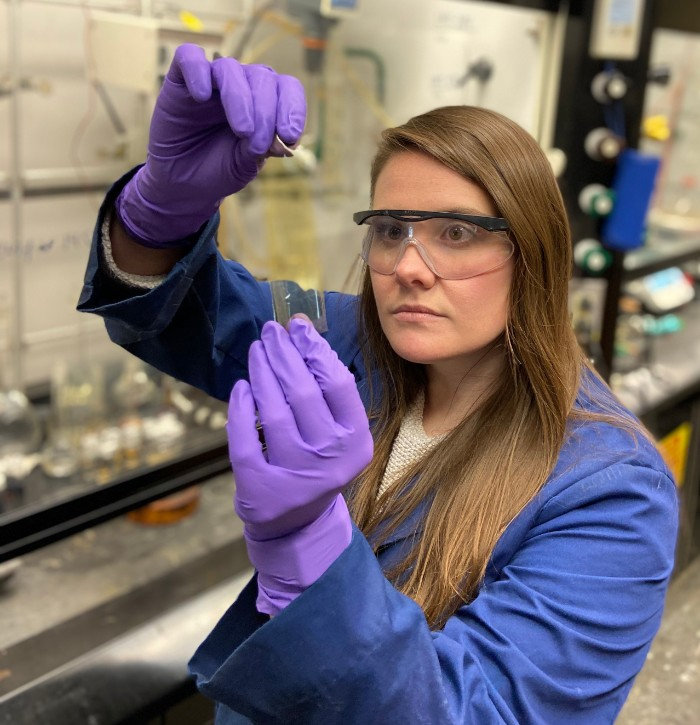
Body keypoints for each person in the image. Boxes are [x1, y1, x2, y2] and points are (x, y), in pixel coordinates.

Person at [78, 44, 679, 723]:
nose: (408, 267)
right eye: (391, 229)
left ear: (535, 253)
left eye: (457, 232)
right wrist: (159, 212)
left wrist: (309, 546)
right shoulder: (344, 341)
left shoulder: (613, 492)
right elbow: (191, 317)